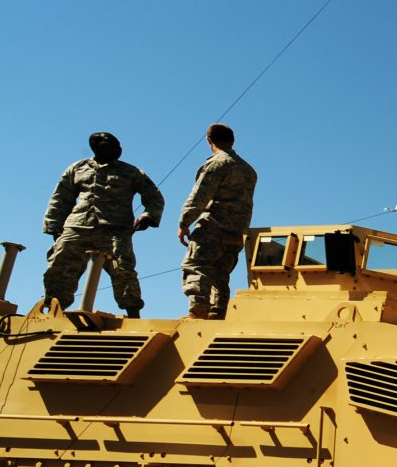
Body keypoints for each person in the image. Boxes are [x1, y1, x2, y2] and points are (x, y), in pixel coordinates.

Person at [42, 131, 164, 317]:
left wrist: (149, 215)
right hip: (78, 227)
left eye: (118, 146)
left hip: (115, 230)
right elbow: (61, 197)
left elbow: (154, 196)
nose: (118, 150)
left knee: (123, 270)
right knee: (59, 266)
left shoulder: (131, 172)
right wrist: (53, 225)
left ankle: (133, 313)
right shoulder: (77, 168)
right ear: (96, 148)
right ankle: (53, 311)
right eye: (112, 146)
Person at [177, 122, 257, 319]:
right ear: (233, 141)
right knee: (221, 275)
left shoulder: (217, 163)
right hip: (237, 231)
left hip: (213, 226)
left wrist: (184, 222)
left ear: (209, 140)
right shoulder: (249, 170)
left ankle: (198, 312)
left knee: (196, 265)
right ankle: (217, 314)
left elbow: (200, 196)